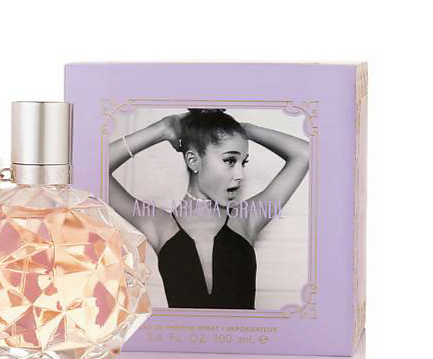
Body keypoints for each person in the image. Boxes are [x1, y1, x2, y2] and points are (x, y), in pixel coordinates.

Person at [108, 109, 309, 309]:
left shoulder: (246, 219)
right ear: (193, 160)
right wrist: (162, 129)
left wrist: (245, 130)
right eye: (230, 160)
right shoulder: (160, 226)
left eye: (243, 163)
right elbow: (95, 169)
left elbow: (305, 153)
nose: (240, 175)